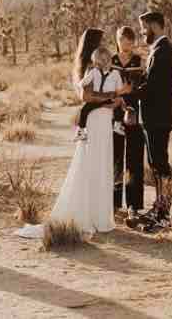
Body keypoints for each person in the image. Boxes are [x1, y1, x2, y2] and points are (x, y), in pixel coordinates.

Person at [16, 28, 131, 238]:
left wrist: (114, 101)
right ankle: (89, 214)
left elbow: (113, 99)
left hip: (104, 123)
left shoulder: (106, 71)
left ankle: (99, 216)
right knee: (91, 163)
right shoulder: (89, 68)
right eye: (100, 42)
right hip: (95, 123)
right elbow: (86, 97)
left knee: (101, 164)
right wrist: (110, 97)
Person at [134, 10, 172, 232]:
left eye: (145, 27)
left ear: (155, 25)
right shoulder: (158, 50)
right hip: (154, 117)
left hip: (159, 117)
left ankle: (163, 214)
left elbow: (154, 87)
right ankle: (159, 208)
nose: (142, 32)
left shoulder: (164, 52)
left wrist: (129, 92)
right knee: (156, 164)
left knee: (160, 164)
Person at [111, 26, 146, 227]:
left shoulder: (139, 62)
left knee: (134, 160)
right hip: (112, 114)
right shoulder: (110, 61)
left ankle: (133, 206)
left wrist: (133, 96)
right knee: (114, 158)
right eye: (123, 40)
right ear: (117, 40)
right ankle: (113, 203)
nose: (127, 44)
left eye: (130, 41)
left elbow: (144, 87)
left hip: (133, 114)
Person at [73, 45, 117, 141]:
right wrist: (82, 85)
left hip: (106, 97)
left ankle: (117, 124)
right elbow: (83, 82)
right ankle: (81, 130)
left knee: (116, 103)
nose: (105, 63)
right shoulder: (93, 72)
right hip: (96, 98)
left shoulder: (112, 72)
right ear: (96, 62)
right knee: (84, 109)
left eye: (108, 60)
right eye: (102, 60)